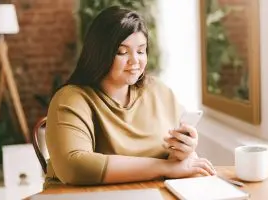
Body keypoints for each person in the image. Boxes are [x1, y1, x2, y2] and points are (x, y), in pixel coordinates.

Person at [44, 6, 216, 189]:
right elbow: (75, 167)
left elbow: (179, 163)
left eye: (141, 51)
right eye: (122, 52)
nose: (135, 61)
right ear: (99, 54)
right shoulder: (71, 98)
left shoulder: (158, 91)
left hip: (150, 192)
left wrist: (184, 151)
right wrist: (164, 167)